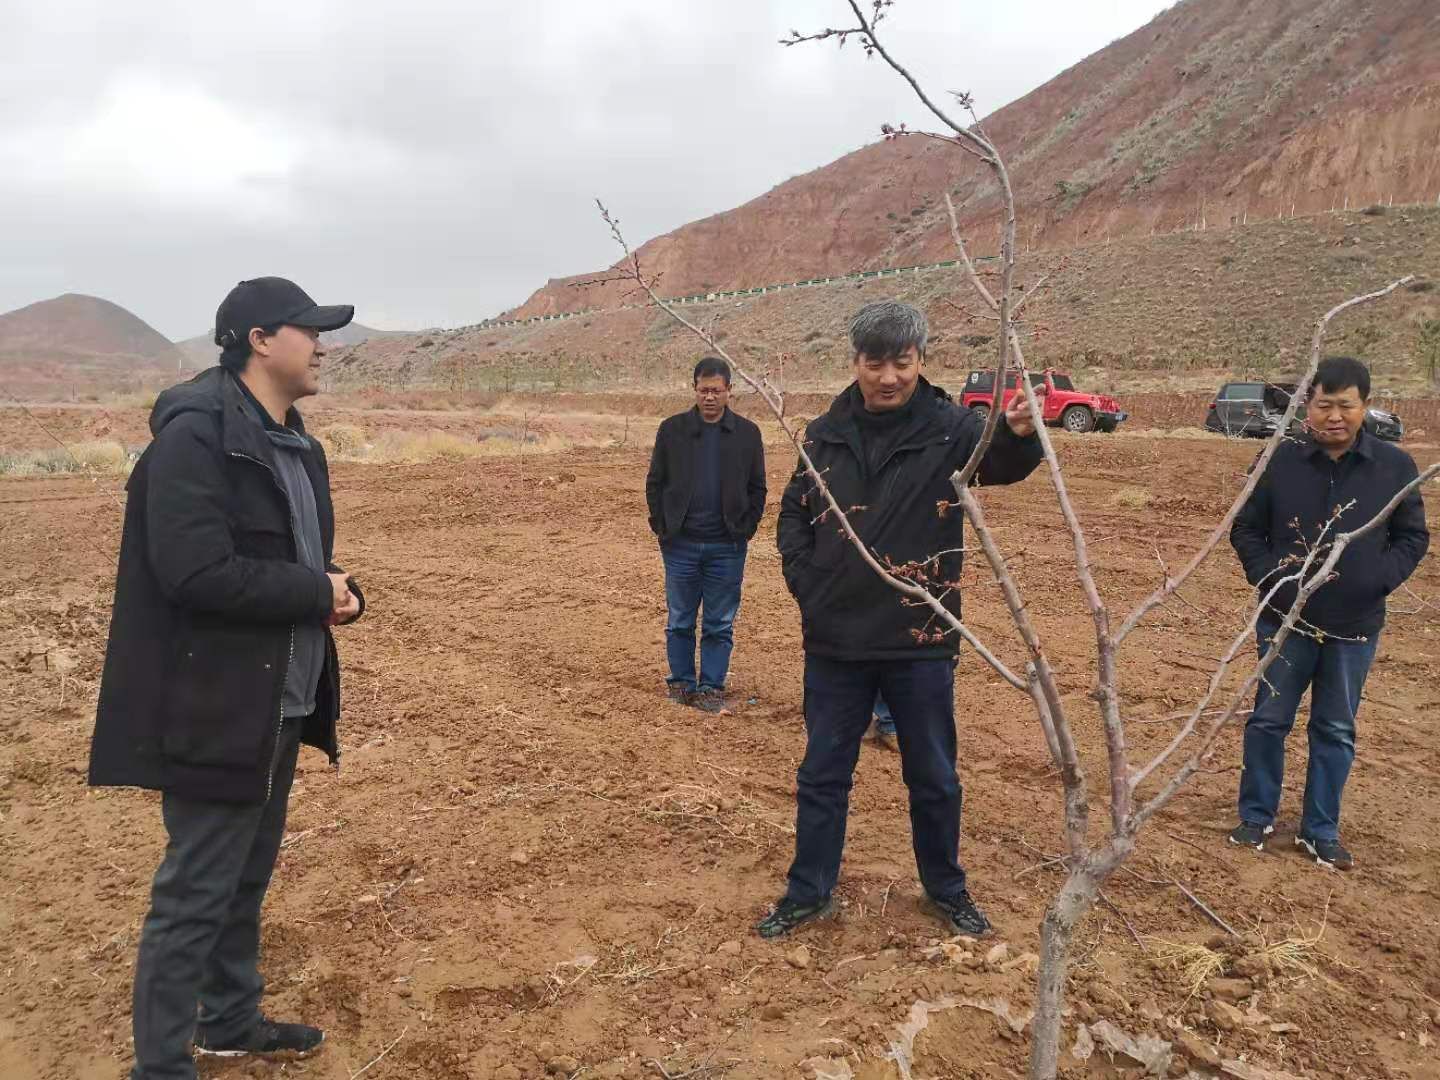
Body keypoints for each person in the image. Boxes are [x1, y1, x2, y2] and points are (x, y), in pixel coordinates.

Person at [89, 277, 366, 1078]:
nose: (323, 345)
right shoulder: (195, 436)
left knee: (245, 874)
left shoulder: (295, 442)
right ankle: (162, 1066)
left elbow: (288, 561)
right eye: (309, 330)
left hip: (280, 695)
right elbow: (194, 571)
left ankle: (229, 1020)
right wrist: (314, 591)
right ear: (257, 338)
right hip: (215, 699)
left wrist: (336, 588)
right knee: (196, 890)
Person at [762, 300, 1044, 939]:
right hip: (835, 639)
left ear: (920, 360)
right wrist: (810, 585)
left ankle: (946, 889)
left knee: (934, 776)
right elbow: (791, 515)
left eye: (902, 362)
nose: (888, 376)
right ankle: (809, 892)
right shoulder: (822, 433)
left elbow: (998, 463)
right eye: (875, 362)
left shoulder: (952, 429)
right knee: (823, 775)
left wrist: (1020, 433)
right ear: (856, 362)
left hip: (921, 636)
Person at [1229, 355, 1428, 870]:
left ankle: (1320, 830)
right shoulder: (1280, 458)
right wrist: (1271, 578)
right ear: (1307, 407)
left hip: (1354, 627)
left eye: (1346, 406)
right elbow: (1246, 529)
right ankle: (1256, 817)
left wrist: (1376, 580)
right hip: (1286, 620)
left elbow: (1412, 537)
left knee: (1335, 727)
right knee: (1269, 720)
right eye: (1324, 405)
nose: (1334, 416)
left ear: (1364, 406)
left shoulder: (1394, 466)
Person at [645, 357, 767, 713]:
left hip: (727, 547)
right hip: (680, 545)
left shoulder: (748, 434)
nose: (709, 397)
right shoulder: (672, 430)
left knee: (719, 622)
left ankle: (711, 687)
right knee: (680, 618)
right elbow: (655, 482)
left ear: (730, 390)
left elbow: (758, 488)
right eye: (703, 390)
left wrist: (746, 528)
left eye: (716, 390)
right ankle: (681, 682)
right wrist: (663, 527)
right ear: (694, 389)